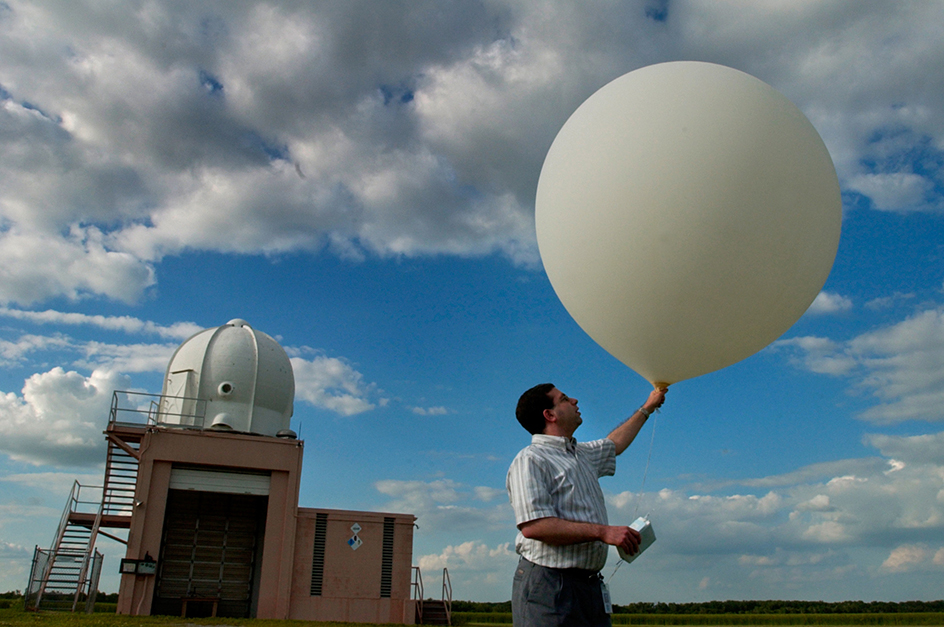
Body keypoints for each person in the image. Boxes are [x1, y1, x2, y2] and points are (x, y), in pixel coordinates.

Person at [506, 383, 667, 627]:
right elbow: (535, 526)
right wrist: (604, 532)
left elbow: (614, 444)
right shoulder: (530, 460)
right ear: (550, 415)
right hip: (549, 586)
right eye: (564, 399)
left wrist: (647, 407)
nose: (574, 400)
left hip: (590, 587)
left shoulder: (582, 454)